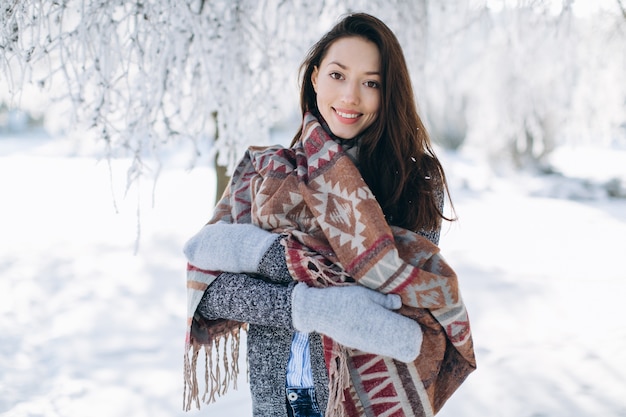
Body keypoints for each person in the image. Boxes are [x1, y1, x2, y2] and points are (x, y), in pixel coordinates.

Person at [183, 13, 476, 417]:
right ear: (315, 77)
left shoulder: (414, 179)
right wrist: (310, 305)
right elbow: (211, 294)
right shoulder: (268, 172)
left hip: (361, 402)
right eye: (338, 75)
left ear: (388, 92)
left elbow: (403, 312)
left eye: (371, 83)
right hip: (274, 402)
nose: (350, 96)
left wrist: (256, 256)